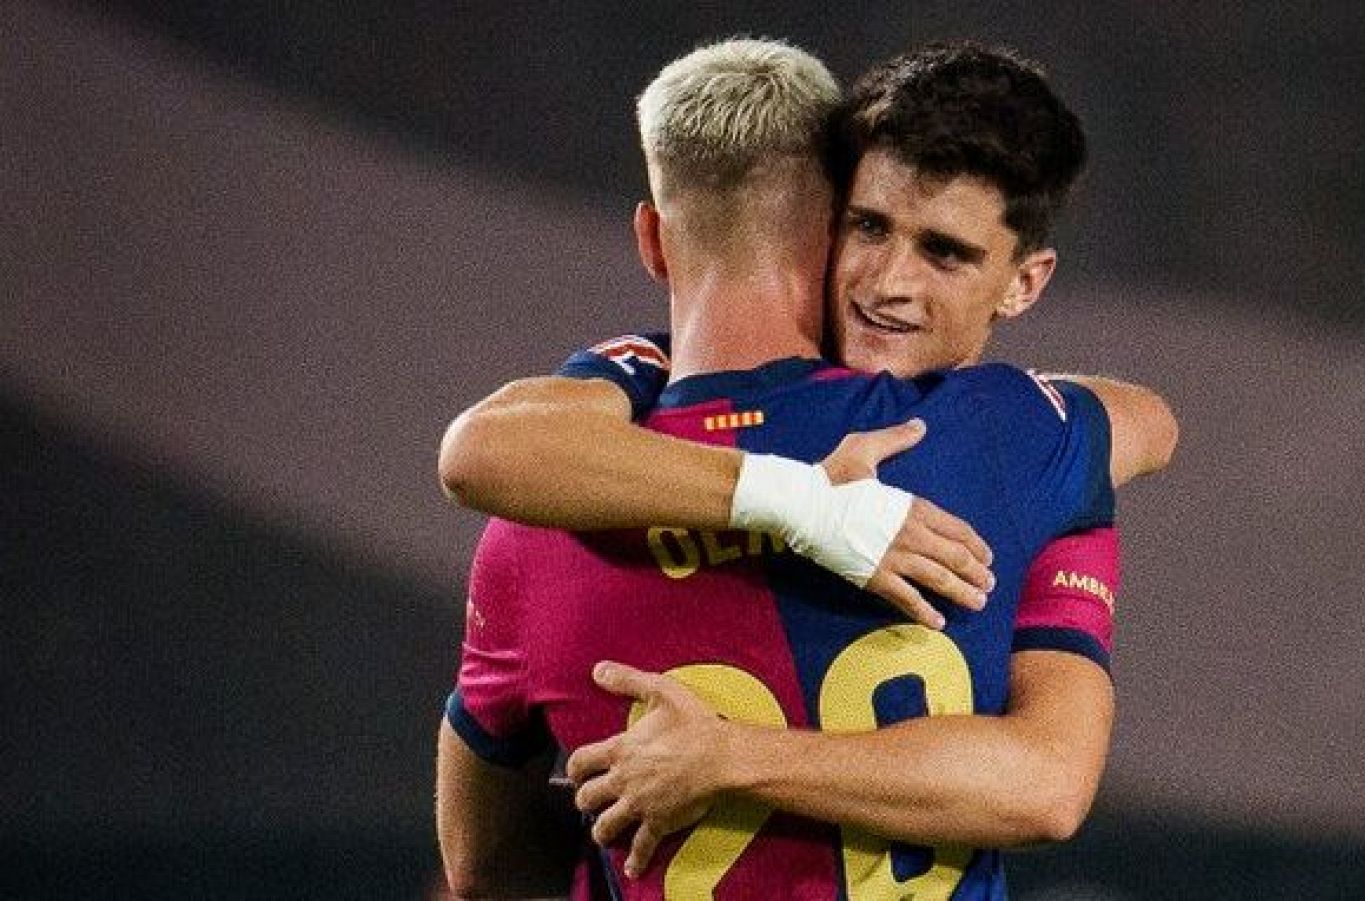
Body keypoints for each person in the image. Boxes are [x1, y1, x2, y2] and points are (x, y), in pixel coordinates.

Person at [437, 38, 1175, 898]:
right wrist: (805, 502)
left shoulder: (536, 524)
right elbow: (1152, 422)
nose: (890, 283)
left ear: (652, 237)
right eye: (870, 227)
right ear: (820, 227)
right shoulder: (1016, 443)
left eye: (944, 252)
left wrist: (722, 768)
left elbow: (482, 864)